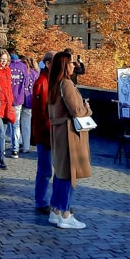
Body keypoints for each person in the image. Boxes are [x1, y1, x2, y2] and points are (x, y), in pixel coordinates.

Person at [47, 51, 92, 229]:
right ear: (65, 65)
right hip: (69, 133)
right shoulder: (66, 83)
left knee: (60, 173)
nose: (74, 65)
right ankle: (65, 213)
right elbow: (77, 111)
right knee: (69, 174)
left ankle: (56, 210)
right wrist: (87, 109)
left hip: (58, 131)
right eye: (72, 63)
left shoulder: (54, 83)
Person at [30, 52, 54, 214]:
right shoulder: (42, 82)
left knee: (48, 169)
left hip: (49, 132)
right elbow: (40, 113)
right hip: (46, 133)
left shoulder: (50, 81)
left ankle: (45, 200)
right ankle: (41, 201)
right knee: (45, 169)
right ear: (47, 63)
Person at [0, 50, 17, 161]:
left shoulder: (8, 70)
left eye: (5, 60)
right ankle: (1, 159)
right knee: (1, 133)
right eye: (2, 59)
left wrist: (11, 101)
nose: (3, 61)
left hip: (7, 105)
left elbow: (9, 89)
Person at [9, 52, 30, 155]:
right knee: (16, 124)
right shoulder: (23, 67)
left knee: (7, 124)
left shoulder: (7, 66)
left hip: (8, 98)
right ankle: (16, 147)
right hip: (19, 98)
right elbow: (26, 82)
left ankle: (4, 146)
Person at [19, 55, 38, 154]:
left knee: (17, 123)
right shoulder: (36, 74)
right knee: (26, 124)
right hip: (30, 100)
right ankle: (26, 145)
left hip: (20, 99)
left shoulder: (23, 72)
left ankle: (19, 142)